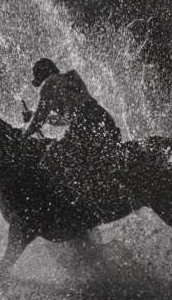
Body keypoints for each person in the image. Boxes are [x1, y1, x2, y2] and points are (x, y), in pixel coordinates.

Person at [24, 58, 123, 207]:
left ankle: (74, 205)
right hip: (103, 119)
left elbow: (39, 119)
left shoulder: (48, 83)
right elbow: (66, 119)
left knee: (52, 157)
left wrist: (22, 135)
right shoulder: (72, 78)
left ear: (41, 76)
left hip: (84, 125)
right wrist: (34, 115)